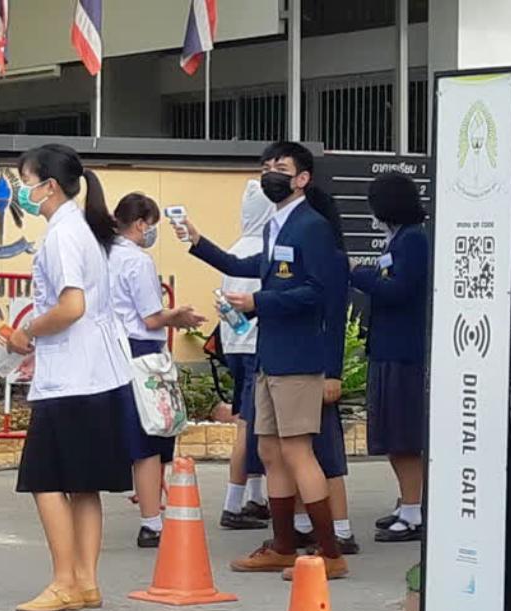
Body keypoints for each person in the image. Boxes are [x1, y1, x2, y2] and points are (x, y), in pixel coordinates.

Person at [174, 142, 348, 580]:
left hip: (298, 357)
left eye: (281, 168)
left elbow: (319, 294)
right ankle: (284, 544)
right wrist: (197, 242)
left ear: (302, 178)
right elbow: (241, 263)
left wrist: (260, 301)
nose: (271, 173)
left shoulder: (312, 227)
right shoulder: (276, 228)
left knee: (296, 450)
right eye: (266, 166)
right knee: (269, 450)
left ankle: (329, 553)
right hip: (269, 356)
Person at [8, 144, 132, 611]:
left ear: (49, 186)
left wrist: (27, 331)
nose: (24, 191)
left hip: (72, 379)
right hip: (96, 374)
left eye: (26, 181)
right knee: (83, 485)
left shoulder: (62, 235)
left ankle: (64, 580)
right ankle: (85, 580)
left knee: (45, 480)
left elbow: (70, 306)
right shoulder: (83, 229)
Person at [109, 192, 205, 548]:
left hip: (109, 350)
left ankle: (149, 511)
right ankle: (152, 521)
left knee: (128, 432)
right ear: (141, 224)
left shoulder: (101, 254)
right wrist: (178, 315)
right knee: (150, 435)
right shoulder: (137, 261)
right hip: (142, 351)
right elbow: (151, 316)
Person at [350, 172, 428, 542]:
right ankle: (407, 502)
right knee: (393, 433)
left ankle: (413, 512)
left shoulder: (412, 242)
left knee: (403, 436)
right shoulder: (398, 239)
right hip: (388, 347)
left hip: (403, 351)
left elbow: (399, 291)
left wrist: (359, 276)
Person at [290, 186, 359, 555]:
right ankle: (304, 525)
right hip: (296, 364)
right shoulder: (303, 254)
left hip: (317, 366)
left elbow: (333, 319)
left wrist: (333, 372)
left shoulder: (328, 259)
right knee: (298, 449)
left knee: (326, 452)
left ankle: (342, 530)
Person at [219, 178, 273, 530]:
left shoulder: (235, 248)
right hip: (258, 348)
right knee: (251, 427)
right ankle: (234, 503)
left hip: (235, 347)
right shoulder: (265, 252)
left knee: (249, 422)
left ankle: (255, 496)